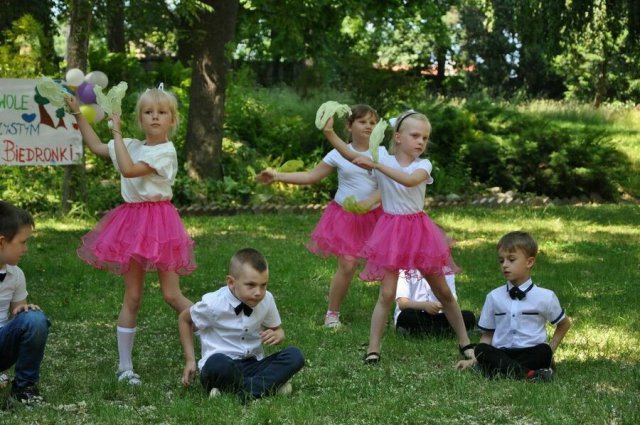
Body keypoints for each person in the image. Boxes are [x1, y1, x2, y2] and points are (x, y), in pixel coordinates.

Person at [322, 109, 474, 364]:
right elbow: (349, 154)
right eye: (415, 135)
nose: (421, 142)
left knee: (443, 292)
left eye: (425, 138)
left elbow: (409, 181)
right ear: (399, 137)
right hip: (391, 230)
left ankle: (465, 342)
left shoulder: (422, 165)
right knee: (386, 293)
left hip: (418, 231)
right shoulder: (380, 156)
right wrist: (329, 133)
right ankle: (373, 349)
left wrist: (377, 165)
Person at [67, 86, 196, 385]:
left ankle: (220, 331)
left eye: (162, 113)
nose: (155, 117)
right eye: (148, 112)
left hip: (160, 223)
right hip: (132, 223)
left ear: (172, 120)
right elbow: (98, 146)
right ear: (140, 118)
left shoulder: (166, 151)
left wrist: (115, 133)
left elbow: (127, 170)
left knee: (171, 294)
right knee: (133, 297)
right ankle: (125, 367)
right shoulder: (132, 144)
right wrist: (77, 113)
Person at [257, 104, 384, 328]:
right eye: (362, 122)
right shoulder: (337, 153)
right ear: (349, 125)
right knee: (348, 264)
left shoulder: (380, 153)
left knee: (388, 264)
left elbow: (386, 187)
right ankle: (332, 314)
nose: (368, 126)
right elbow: (310, 176)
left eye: (372, 123)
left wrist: (371, 201)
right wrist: (277, 175)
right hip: (346, 217)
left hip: (376, 216)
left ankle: (395, 309)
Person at [179, 248, 304, 402]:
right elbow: (184, 319)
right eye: (251, 285)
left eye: (263, 285)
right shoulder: (213, 303)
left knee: (295, 355)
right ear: (231, 282)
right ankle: (268, 387)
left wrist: (278, 334)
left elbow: (277, 329)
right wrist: (190, 360)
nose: (258, 292)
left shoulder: (267, 299)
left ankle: (234, 393)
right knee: (217, 363)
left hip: (253, 365)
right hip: (222, 366)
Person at [456, 231, 572, 381]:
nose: (504, 265)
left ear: (529, 262)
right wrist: (473, 360)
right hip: (502, 353)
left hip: (531, 352)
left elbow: (564, 323)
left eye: (511, 260)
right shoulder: (493, 297)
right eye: (501, 261)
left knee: (544, 351)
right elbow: (488, 335)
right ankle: (529, 374)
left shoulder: (546, 296)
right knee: (482, 349)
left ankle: (498, 370)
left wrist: (552, 349)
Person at [0, 201, 49, 405]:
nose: (26, 249)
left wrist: (22, 311)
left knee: (35, 320)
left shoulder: (16, 274)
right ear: (2, 242)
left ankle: (24, 388)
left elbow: (18, 313)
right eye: (22, 242)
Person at [395, 269, 476, 336]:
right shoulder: (406, 270)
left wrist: (441, 306)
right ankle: (446, 332)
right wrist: (424, 306)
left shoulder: (447, 270)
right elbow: (402, 303)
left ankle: (418, 332)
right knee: (405, 316)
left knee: (468, 317)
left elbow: (451, 301)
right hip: (417, 314)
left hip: (439, 316)